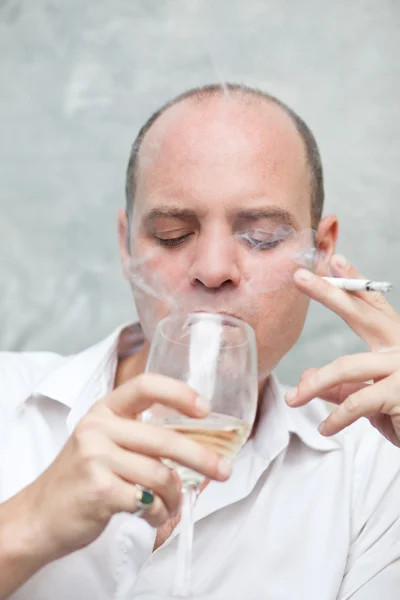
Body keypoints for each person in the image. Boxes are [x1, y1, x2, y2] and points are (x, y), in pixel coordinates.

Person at [0, 83, 399, 600]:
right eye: (172, 233)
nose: (213, 271)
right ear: (128, 249)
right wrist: (27, 526)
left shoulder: (374, 471)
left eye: (262, 237)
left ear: (320, 252)